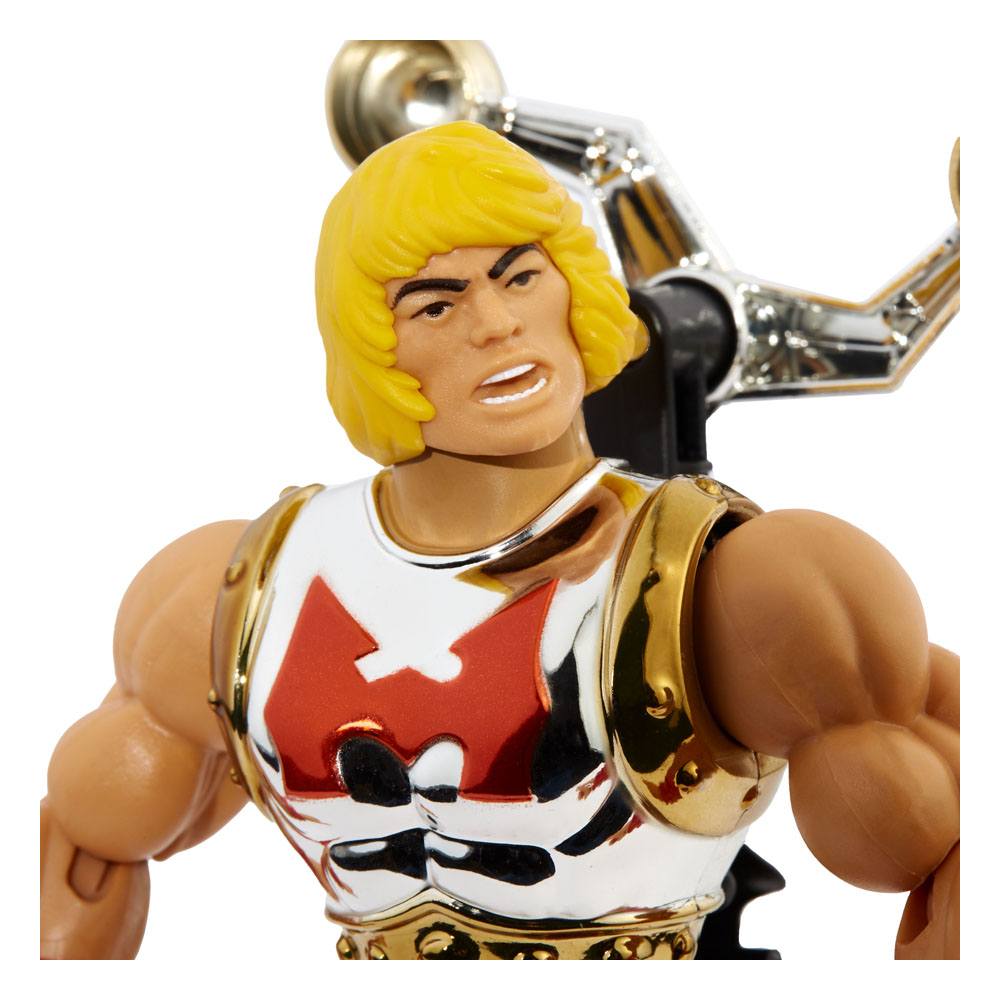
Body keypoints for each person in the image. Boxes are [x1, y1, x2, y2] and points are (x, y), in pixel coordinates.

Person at [40, 122, 959, 960]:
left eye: (521, 277)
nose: (496, 324)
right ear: (372, 347)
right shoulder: (235, 588)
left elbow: (949, 860)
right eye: (435, 307)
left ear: (575, 288)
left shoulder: (747, 584)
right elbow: (82, 857)